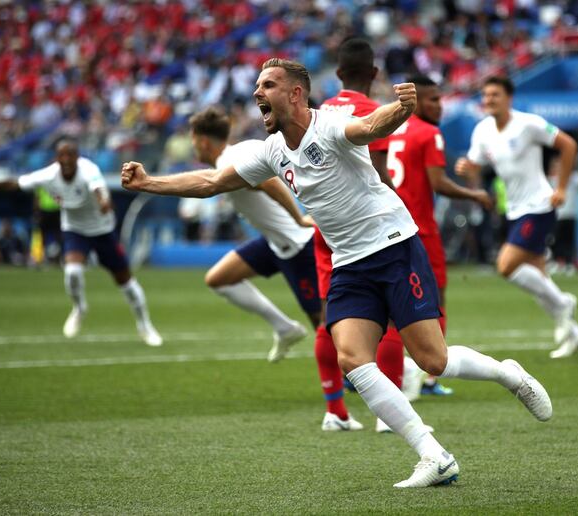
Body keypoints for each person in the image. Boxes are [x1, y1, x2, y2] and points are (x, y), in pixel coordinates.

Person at [121, 58, 553, 488]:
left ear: (295, 94)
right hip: (348, 262)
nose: (257, 93)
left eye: (268, 84)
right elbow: (212, 183)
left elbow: (369, 127)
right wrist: (149, 182)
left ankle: (507, 373)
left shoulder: (329, 124)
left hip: (393, 246)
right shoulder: (270, 150)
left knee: (431, 360)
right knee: (351, 358)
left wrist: (401, 109)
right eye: (256, 85)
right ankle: (433, 455)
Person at [0, 138, 163, 346]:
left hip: (102, 230)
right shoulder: (49, 175)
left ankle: (145, 325)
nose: (66, 159)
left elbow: (99, 190)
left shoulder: (88, 170)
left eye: (70, 154)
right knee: (72, 272)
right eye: (62, 155)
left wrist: (104, 203)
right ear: (56, 158)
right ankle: (79, 308)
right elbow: (13, 183)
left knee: (126, 282)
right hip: (75, 230)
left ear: (77, 157)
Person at [455, 76, 578, 359]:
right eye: (486, 95)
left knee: (506, 266)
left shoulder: (529, 124)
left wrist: (561, 187)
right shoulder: (482, 131)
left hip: (539, 205)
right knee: (539, 279)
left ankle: (564, 305)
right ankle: (575, 334)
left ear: (509, 98)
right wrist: (466, 169)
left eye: (495, 95)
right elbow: (476, 168)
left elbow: (569, 145)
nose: (489, 99)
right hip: (513, 210)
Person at [318, 37, 413, 432]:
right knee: (390, 317)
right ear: (374, 74)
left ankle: (335, 410)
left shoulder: (320, 110)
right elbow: (378, 170)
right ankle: (386, 414)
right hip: (367, 227)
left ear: (338, 74)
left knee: (332, 316)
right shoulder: (373, 111)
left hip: (326, 226)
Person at [387, 74, 492, 396]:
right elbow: (439, 184)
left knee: (390, 303)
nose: (438, 106)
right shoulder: (429, 133)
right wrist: (475, 195)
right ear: (415, 101)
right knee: (435, 300)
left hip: (387, 227)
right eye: (432, 99)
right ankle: (428, 376)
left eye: (439, 99)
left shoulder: (391, 130)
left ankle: (382, 369)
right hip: (420, 230)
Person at [187, 107, 317, 363]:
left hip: (298, 244)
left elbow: (268, 183)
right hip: (274, 243)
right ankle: (285, 328)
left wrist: (298, 218)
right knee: (219, 278)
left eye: (194, 142)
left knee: (326, 324)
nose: (194, 148)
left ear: (203, 141)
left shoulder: (228, 162)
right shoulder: (235, 154)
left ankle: (399, 367)